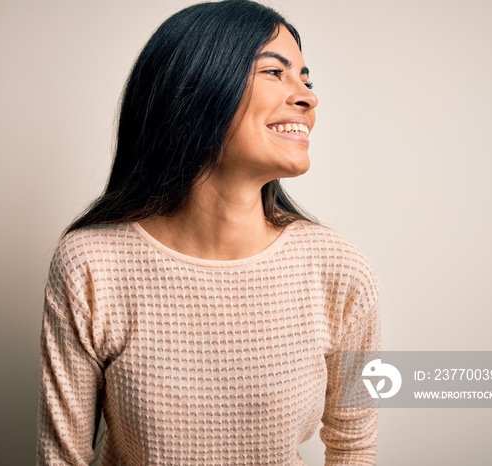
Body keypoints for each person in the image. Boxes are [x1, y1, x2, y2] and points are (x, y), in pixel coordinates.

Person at [35, 0, 381, 465]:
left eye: (306, 78)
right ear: (196, 88)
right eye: (275, 73)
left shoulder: (342, 271)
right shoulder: (90, 265)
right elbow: (61, 459)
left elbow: (354, 446)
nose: (307, 97)